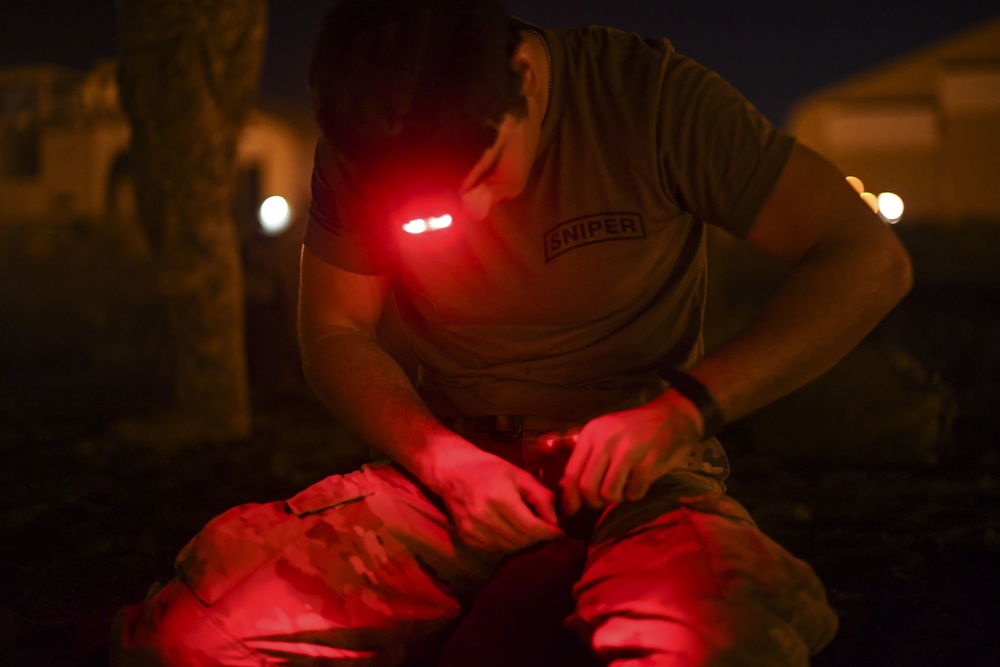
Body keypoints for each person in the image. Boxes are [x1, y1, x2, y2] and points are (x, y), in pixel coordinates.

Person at [111, 0, 913, 664]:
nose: (481, 221)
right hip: (450, 473)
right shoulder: (368, 133)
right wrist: (438, 456)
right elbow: (334, 328)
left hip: (648, 474)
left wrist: (687, 408)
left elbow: (866, 257)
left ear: (523, 77)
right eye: (430, 217)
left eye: (486, 174)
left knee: (709, 642)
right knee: (193, 637)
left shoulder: (649, 98)